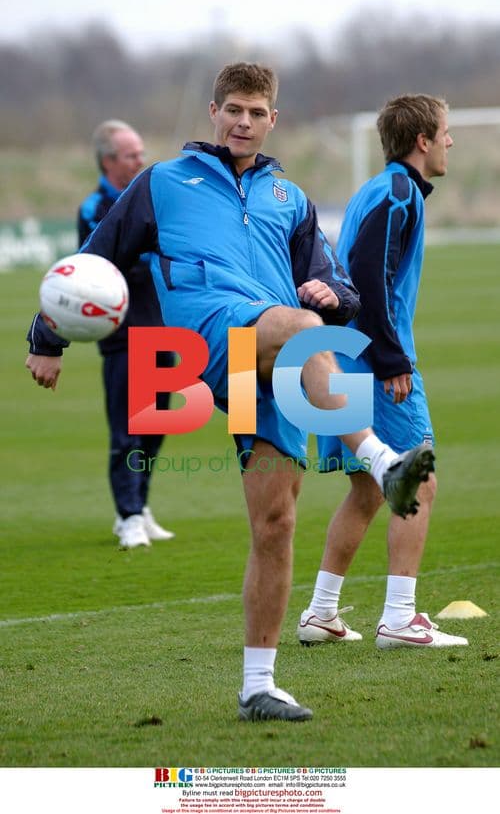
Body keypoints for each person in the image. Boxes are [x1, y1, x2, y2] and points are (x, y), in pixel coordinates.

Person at [25, 64, 435, 721]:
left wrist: (334, 295)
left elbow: (339, 286)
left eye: (256, 112)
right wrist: (46, 336)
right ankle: (382, 461)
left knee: (276, 522)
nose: (244, 122)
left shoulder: (290, 198)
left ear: (273, 119)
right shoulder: (162, 182)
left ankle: (257, 687)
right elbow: (94, 260)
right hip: (213, 331)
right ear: (214, 112)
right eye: (234, 109)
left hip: (268, 360)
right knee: (300, 328)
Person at [298, 94, 468, 650]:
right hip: (373, 360)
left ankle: (322, 612)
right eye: (444, 132)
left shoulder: (379, 189)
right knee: (418, 478)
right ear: (422, 140)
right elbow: (370, 276)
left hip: (343, 357)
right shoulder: (398, 193)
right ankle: (399, 619)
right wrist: (392, 358)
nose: (449, 141)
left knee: (369, 490)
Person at [28, 120, 175, 550]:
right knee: (127, 430)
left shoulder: (152, 201)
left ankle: (140, 504)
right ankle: (127, 516)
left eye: (141, 152)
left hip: (163, 328)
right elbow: (108, 262)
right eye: (131, 155)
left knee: (156, 426)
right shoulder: (96, 207)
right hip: (123, 335)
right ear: (109, 161)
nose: (140, 160)